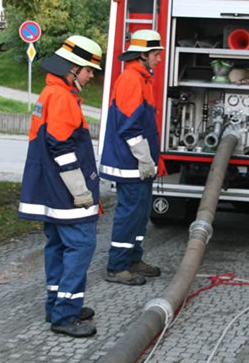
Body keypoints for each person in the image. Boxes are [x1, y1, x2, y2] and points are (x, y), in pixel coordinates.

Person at [18, 35, 102, 337]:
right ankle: (66, 314)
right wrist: (80, 191)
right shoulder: (63, 98)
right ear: (72, 69)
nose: (91, 76)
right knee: (81, 245)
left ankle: (56, 304)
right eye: (88, 70)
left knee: (56, 245)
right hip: (66, 192)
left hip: (50, 189)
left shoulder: (50, 92)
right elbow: (62, 148)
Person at [99, 29, 164, 286]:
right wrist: (145, 158)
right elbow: (129, 126)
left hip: (136, 162)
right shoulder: (131, 80)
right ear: (143, 55)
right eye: (156, 54)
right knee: (129, 214)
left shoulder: (142, 79)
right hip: (129, 163)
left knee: (140, 213)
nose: (159, 59)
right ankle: (117, 267)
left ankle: (133, 259)